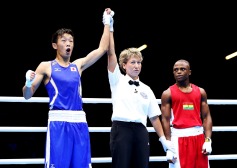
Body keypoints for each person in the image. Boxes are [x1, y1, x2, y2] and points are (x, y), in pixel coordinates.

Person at [22, 8, 113, 168]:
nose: (68, 43)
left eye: (70, 40)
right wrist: (28, 83)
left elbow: (102, 49)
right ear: (54, 45)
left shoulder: (78, 65)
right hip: (58, 123)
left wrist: (107, 22)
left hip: (79, 121)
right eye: (64, 40)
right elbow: (27, 96)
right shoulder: (46, 66)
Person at [105, 9, 175, 168]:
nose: (137, 66)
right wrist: (110, 27)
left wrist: (164, 141)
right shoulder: (117, 80)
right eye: (133, 62)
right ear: (124, 65)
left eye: (139, 62)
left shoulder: (147, 89)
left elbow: (154, 117)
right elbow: (111, 54)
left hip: (141, 131)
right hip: (121, 129)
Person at [160, 59, 213, 168]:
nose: (178, 72)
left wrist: (208, 140)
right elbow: (165, 120)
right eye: (176, 70)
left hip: (198, 137)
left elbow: (206, 117)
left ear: (189, 72)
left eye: (182, 69)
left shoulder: (200, 92)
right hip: (178, 138)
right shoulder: (167, 93)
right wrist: (168, 146)